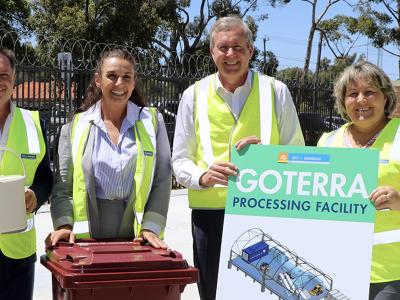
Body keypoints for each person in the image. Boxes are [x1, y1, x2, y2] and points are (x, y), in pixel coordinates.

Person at [172, 15, 304, 300]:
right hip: (210, 219)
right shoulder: (192, 95)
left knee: (269, 293)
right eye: (223, 48)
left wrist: (267, 157)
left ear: (251, 51)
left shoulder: (276, 91)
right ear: (212, 52)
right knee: (213, 294)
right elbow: (180, 160)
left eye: (238, 47)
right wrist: (202, 176)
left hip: (266, 212)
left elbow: (298, 154)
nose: (230, 54)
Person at [46, 49, 171, 249]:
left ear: (134, 81)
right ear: (98, 79)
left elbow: (162, 180)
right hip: (89, 235)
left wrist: (151, 226)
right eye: (111, 76)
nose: (119, 84)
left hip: (139, 234)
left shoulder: (152, 121)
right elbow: (63, 185)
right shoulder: (75, 126)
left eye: (126, 77)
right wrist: (64, 223)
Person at [318, 61, 400, 299]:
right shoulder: (327, 141)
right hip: (333, 267)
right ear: (343, 102)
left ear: (385, 97)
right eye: (353, 94)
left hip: (389, 272)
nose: (361, 100)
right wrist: (260, 158)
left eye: (370, 92)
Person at [0, 48, 53, 300]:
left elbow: (46, 178)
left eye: (3, 75)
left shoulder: (33, 123)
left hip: (18, 252)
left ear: (14, 78)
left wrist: (35, 195)